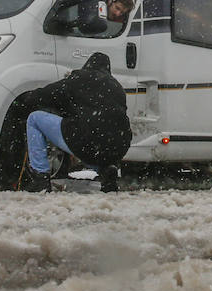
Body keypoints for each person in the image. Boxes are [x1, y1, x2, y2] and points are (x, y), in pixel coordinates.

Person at [21, 52, 132, 193]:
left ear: (87, 65)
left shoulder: (79, 78)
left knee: (34, 119)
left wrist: (27, 98)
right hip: (119, 145)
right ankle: (106, 170)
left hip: (88, 139)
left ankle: (40, 178)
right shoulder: (117, 87)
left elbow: (48, 94)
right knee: (98, 145)